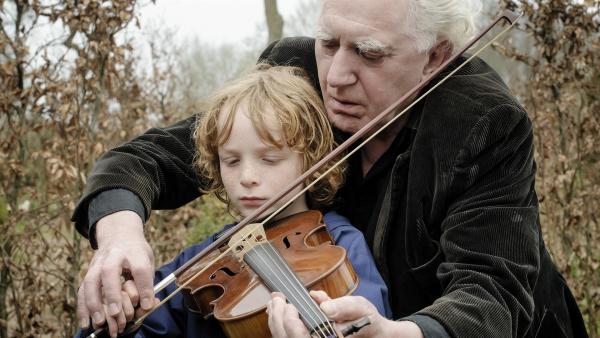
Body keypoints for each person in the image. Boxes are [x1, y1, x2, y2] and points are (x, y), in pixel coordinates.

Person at [74, 0, 588, 337]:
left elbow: (493, 293)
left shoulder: (484, 122)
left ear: (436, 56)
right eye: (328, 43)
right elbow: (152, 158)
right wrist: (120, 231)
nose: (337, 76)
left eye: (368, 53)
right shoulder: (295, 74)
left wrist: (399, 333)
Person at [76, 65, 390, 338]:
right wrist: (118, 313)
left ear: (311, 161)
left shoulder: (340, 246)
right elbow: (144, 326)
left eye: (269, 158)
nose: (247, 177)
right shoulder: (206, 263)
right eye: (232, 160)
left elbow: (368, 321)